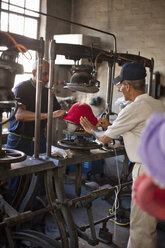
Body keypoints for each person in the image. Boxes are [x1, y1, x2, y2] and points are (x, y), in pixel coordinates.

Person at [80, 61, 165, 248]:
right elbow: (139, 129)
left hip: (147, 171)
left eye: (120, 86)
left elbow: (103, 139)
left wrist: (92, 130)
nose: (120, 90)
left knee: (141, 227)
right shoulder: (157, 105)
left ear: (128, 86)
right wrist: (110, 126)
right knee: (148, 223)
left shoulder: (134, 108)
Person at [7, 60, 66, 216]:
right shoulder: (22, 88)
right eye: (44, 73)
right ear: (34, 73)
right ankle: (13, 221)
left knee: (39, 180)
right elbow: (19, 115)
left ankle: (35, 219)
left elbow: (60, 113)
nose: (47, 78)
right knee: (18, 181)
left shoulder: (48, 93)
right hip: (20, 140)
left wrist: (80, 114)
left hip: (39, 140)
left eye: (49, 74)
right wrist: (48, 115)